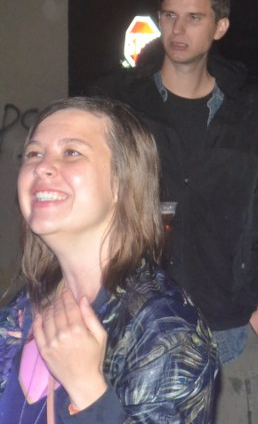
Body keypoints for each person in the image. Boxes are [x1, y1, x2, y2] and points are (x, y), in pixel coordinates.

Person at [89, 0, 258, 423]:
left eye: (194, 18)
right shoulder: (119, 104)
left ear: (220, 27)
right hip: (134, 325)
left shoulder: (249, 110)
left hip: (230, 329)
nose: (177, 30)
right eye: (170, 16)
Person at [0, 96, 217, 422]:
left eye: (71, 152)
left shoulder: (165, 329)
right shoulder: (23, 310)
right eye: (33, 153)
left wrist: (87, 390)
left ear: (121, 183)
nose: (41, 166)